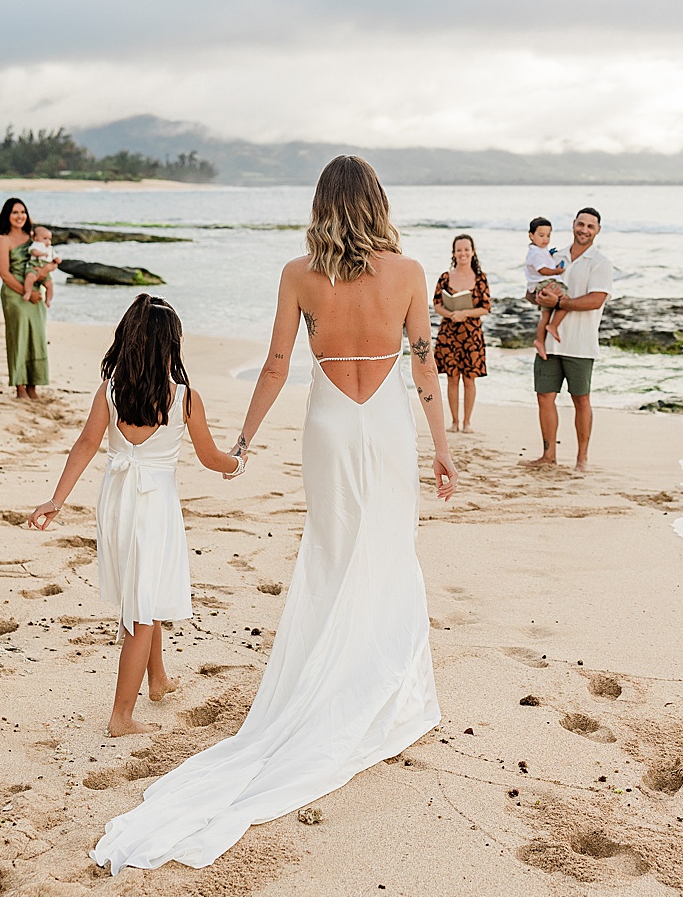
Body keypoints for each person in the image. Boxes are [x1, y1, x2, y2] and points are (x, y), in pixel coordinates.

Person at [91, 155, 457, 872]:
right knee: (385, 551)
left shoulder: (298, 273)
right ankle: (381, 689)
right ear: (378, 202)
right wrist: (443, 449)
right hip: (383, 429)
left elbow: (275, 365)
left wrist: (244, 439)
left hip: (325, 427)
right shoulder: (410, 273)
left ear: (322, 204)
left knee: (329, 555)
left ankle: (326, 679)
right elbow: (424, 368)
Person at [27, 295, 242, 737]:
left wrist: (57, 499)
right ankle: (120, 717)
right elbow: (209, 456)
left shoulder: (110, 391)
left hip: (117, 500)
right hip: (154, 505)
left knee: (146, 587)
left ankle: (158, 679)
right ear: (169, 347)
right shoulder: (183, 397)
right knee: (141, 610)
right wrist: (237, 463)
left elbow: (86, 444)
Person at [527, 207, 613, 472]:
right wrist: (538, 298)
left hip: (581, 343)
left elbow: (596, 299)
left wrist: (561, 301)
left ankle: (581, 459)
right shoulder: (555, 256)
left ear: (597, 230)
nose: (584, 229)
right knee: (544, 396)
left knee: (581, 400)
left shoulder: (601, 262)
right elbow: (532, 291)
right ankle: (548, 455)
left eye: (590, 226)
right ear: (573, 225)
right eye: (581, 224)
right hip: (551, 343)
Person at [0, 197, 58, 399]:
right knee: (18, 337)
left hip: (36, 293)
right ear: (7, 216)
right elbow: (4, 274)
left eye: (22, 212)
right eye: (15, 212)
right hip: (15, 295)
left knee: (36, 337)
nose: (20, 216)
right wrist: (26, 293)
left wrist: (47, 270)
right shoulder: (2, 240)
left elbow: (48, 261)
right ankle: (20, 386)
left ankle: (33, 385)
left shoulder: (33, 239)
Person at [432, 233, 492, 433]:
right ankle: (454, 422)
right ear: (454, 253)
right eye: (459, 250)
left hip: (471, 335)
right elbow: (436, 304)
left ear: (473, 252)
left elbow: (486, 307)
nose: (463, 253)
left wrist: (465, 313)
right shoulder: (445, 277)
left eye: (466, 249)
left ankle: (467, 422)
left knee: (469, 378)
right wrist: (451, 314)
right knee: (452, 377)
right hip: (449, 333)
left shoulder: (480, 278)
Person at [524, 216, 568, 359]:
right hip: (543, 282)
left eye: (548, 235)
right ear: (531, 235)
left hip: (540, 283)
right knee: (565, 300)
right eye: (541, 235)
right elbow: (542, 269)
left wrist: (550, 255)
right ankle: (553, 326)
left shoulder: (540, 250)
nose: (545, 239)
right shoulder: (535, 252)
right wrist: (556, 271)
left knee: (545, 315)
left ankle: (540, 341)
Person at [22, 226, 60, 303]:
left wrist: (57, 259)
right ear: (36, 238)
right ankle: (28, 292)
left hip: (45, 269)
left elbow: (55, 257)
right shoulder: (36, 245)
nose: (48, 241)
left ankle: (48, 299)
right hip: (34, 266)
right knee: (30, 277)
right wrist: (41, 254)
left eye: (49, 239)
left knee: (50, 284)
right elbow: (33, 252)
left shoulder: (50, 248)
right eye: (45, 238)